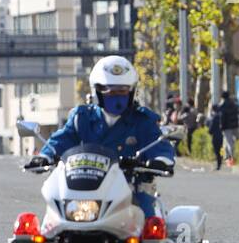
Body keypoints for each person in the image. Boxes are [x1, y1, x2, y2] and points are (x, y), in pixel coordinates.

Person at [31, 55, 176, 223]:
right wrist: (44, 157)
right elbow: (62, 140)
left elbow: (157, 143)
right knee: (51, 223)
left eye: (122, 91)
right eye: (110, 91)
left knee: (150, 225)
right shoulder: (82, 118)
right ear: (97, 91)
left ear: (131, 92)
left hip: (131, 190)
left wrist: (161, 160)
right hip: (85, 189)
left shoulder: (143, 121)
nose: (117, 96)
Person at [218, 90, 239, 166]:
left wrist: (221, 127)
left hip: (226, 127)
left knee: (229, 143)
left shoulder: (222, 106)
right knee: (238, 141)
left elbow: (222, 118)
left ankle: (230, 159)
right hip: (235, 125)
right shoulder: (234, 104)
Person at [207, 101, 225, 170]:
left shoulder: (214, 117)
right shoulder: (221, 116)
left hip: (215, 136)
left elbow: (211, 128)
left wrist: (209, 132)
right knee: (221, 148)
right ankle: (222, 157)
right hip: (221, 135)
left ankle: (219, 164)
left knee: (217, 151)